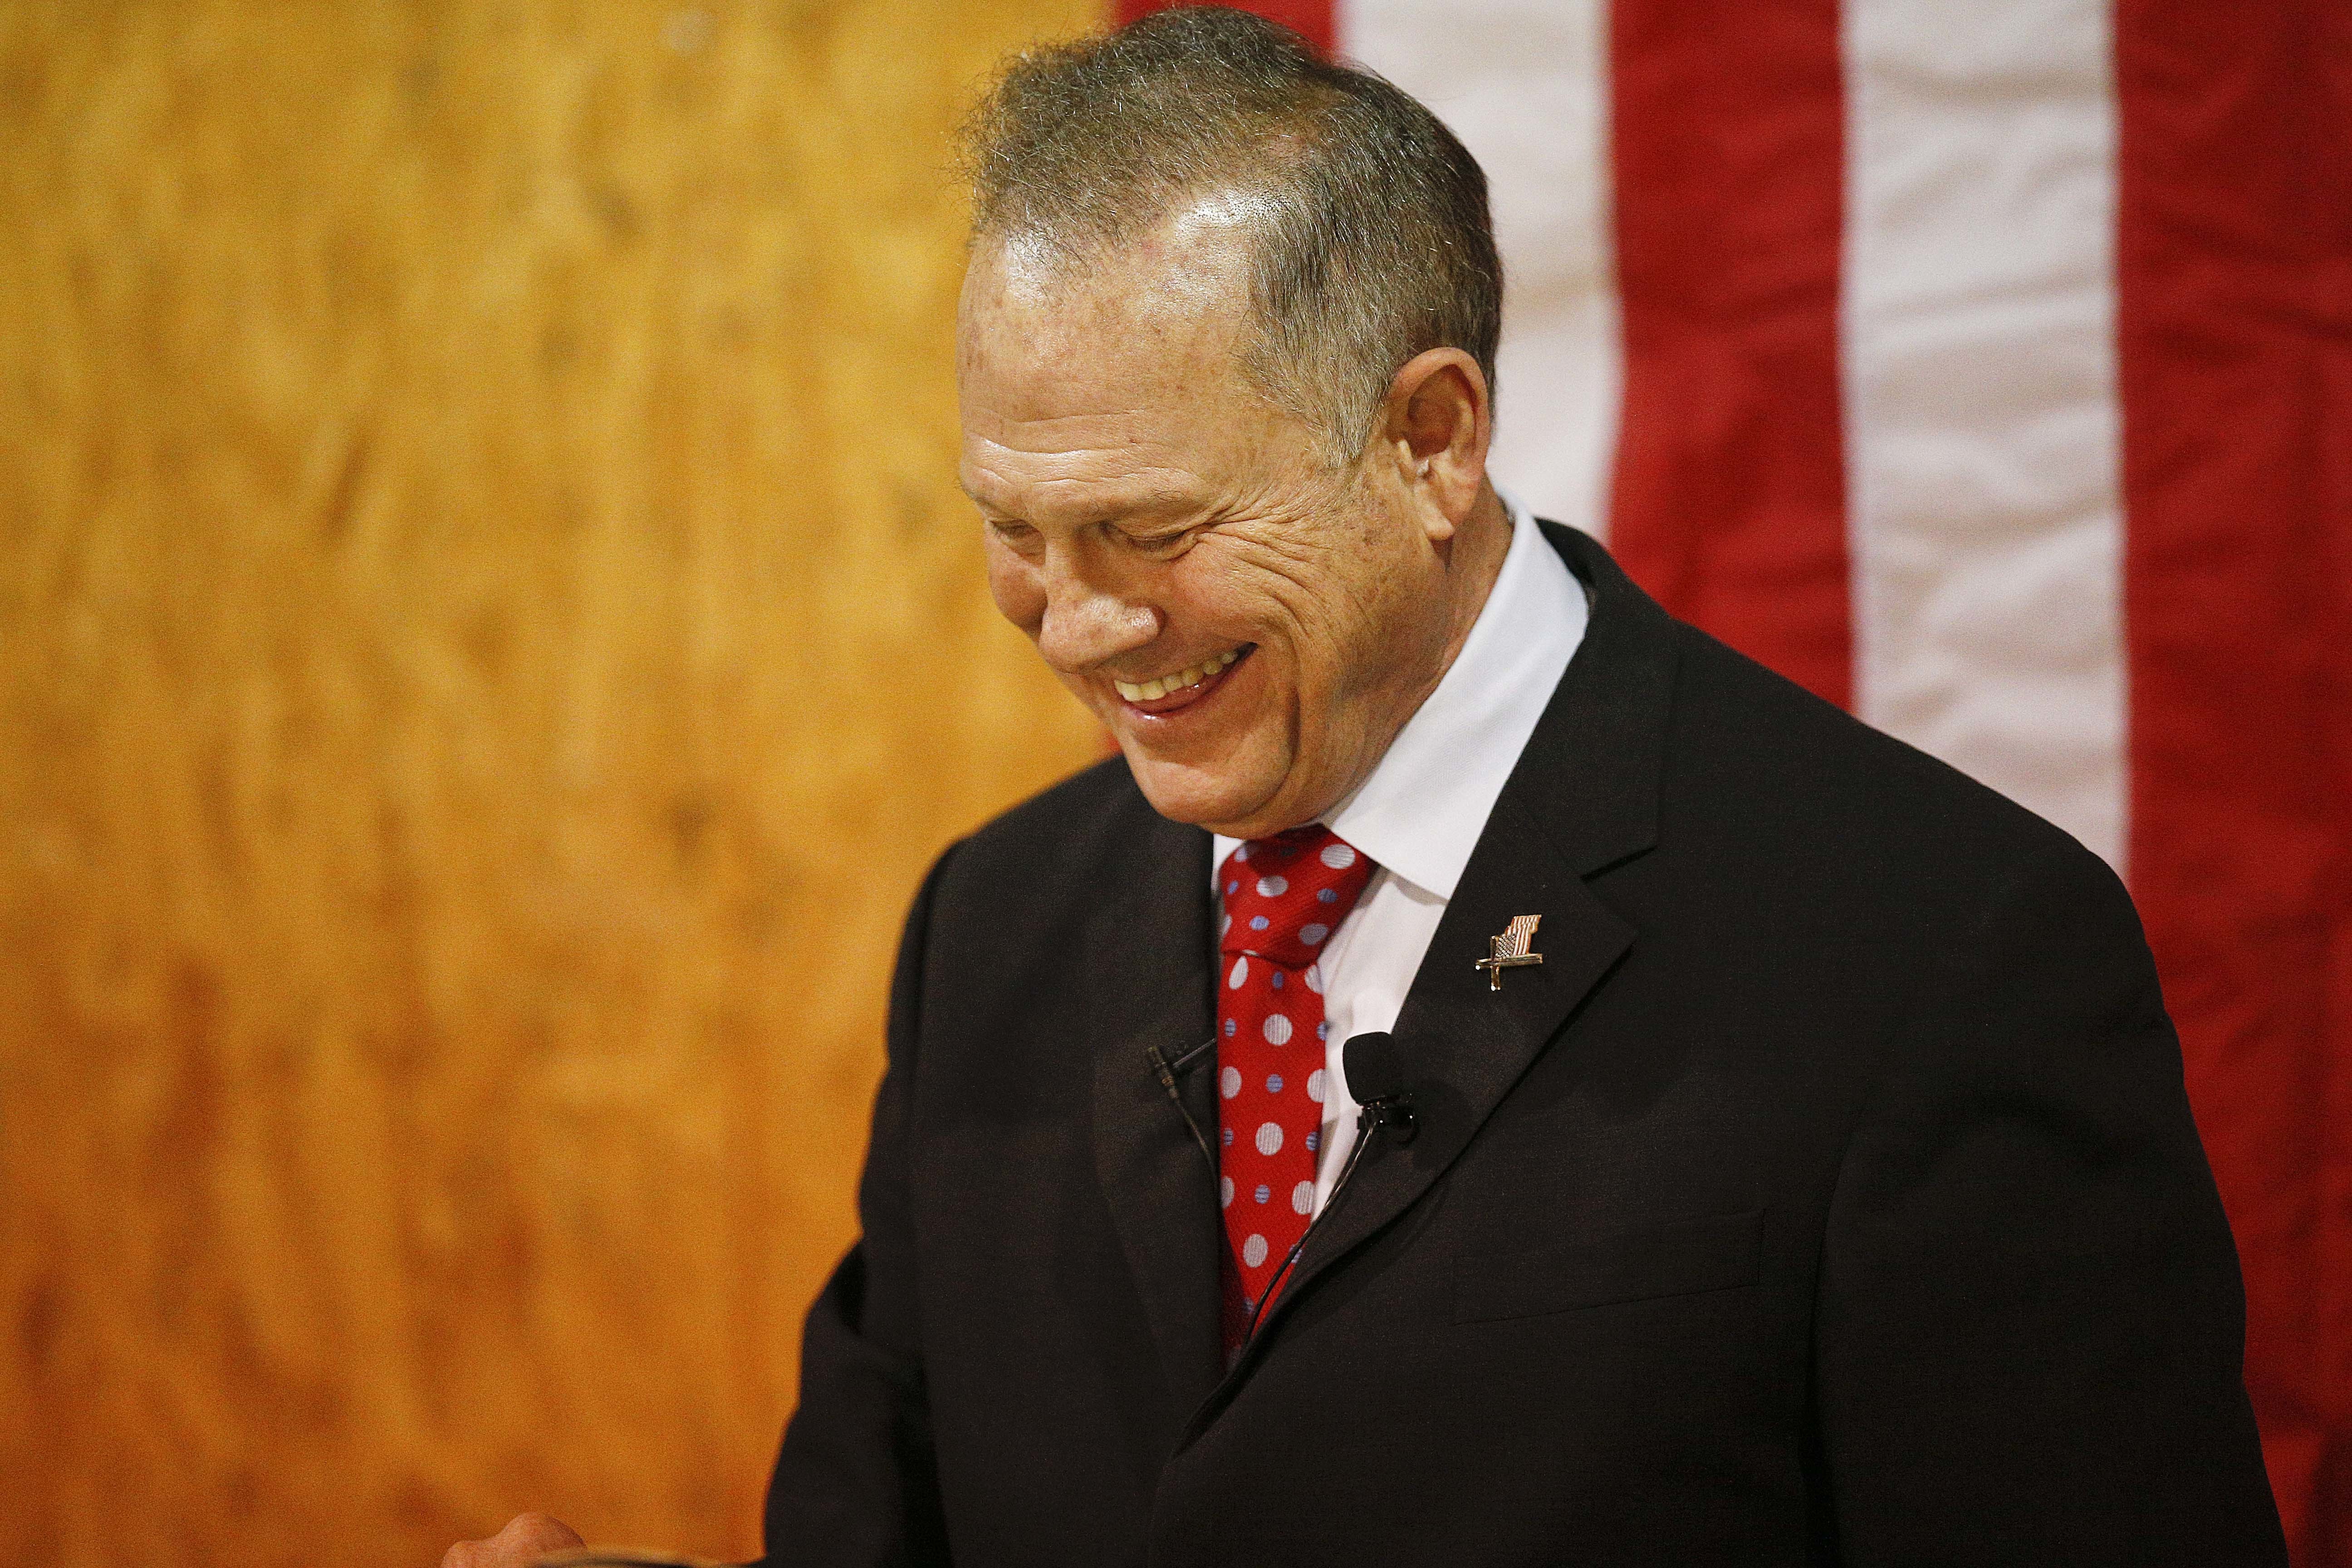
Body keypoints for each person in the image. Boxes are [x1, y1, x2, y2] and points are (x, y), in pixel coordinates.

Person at [446, 9, 2287, 1566]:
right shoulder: (993, 931)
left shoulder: (1933, 953)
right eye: (1013, 530)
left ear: (1429, 441)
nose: (1079, 626)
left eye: (1152, 528)